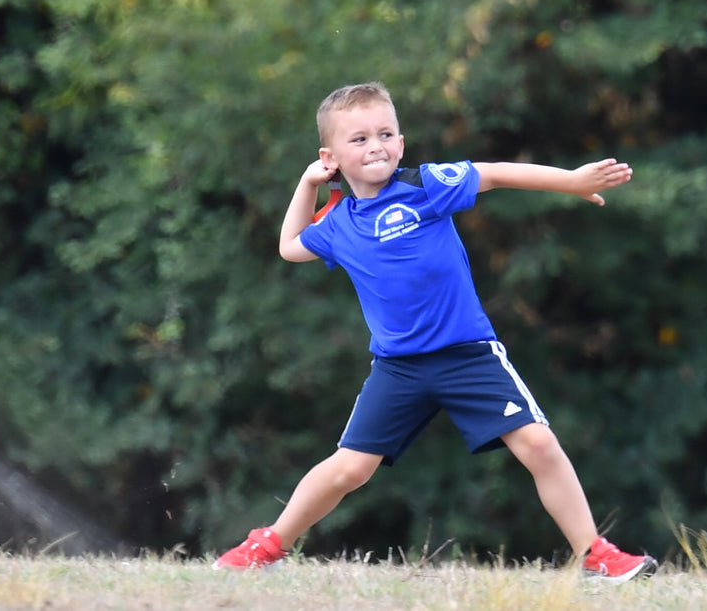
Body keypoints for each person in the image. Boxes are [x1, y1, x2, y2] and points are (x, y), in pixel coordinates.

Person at [213, 82, 656, 583]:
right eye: (358, 139)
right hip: (398, 369)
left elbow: (493, 173)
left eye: (385, 133)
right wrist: (308, 184)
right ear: (331, 156)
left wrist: (571, 181)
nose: (375, 145)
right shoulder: (338, 222)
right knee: (349, 469)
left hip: (468, 356)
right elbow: (290, 246)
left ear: (401, 143)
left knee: (539, 445)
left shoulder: (425, 185)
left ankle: (595, 553)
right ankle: (268, 545)